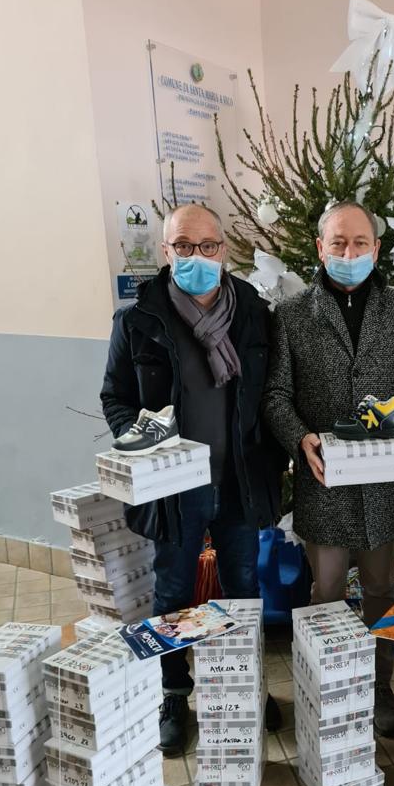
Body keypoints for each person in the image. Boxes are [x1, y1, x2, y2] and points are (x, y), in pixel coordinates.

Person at [101, 203, 284, 756]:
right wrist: (144, 440)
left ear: (223, 249)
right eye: (183, 246)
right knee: (174, 592)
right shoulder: (138, 320)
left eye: (207, 246)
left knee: (243, 587)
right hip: (173, 488)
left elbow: (271, 394)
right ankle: (175, 693)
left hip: (239, 481)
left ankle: (246, 683)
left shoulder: (253, 313)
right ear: (166, 251)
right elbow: (115, 398)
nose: (196, 257)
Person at [262, 201, 394, 736]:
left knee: (382, 591)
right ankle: (330, 686)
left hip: (384, 486)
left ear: (377, 249)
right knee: (326, 593)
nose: (349, 251)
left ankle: (380, 687)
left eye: (360, 242)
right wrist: (299, 438)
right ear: (320, 248)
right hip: (324, 484)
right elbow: (275, 394)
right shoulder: (292, 315)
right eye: (338, 242)